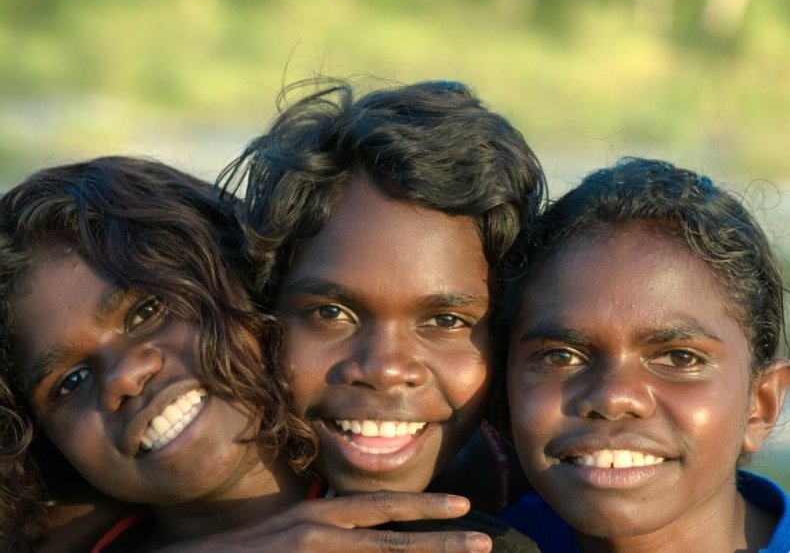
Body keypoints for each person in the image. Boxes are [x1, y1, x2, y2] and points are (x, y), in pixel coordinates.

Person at [0, 157, 492, 552]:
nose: (125, 376)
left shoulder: (465, 510)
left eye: (148, 311)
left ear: (241, 274)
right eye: (70, 382)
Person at [218, 78, 546, 515]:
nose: (385, 369)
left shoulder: (551, 502)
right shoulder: (195, 489)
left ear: (504, 339)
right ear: (263, 311)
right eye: (331, 313)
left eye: (446, 321)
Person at [502, 158, 790, 552]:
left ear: (761, 404)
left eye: (679, 358)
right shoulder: (468, 539)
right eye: (561, 356)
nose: (614, 397)